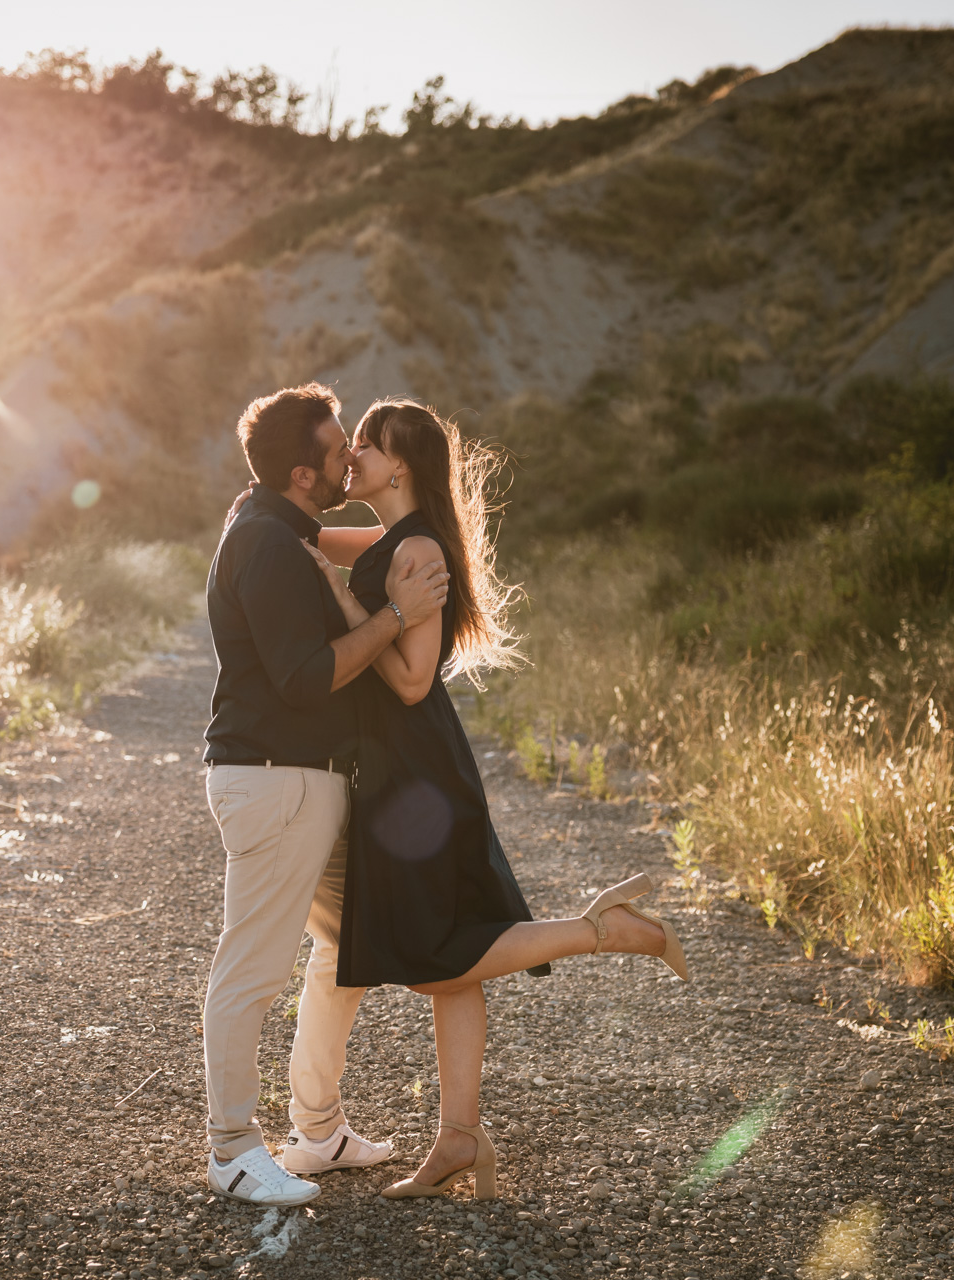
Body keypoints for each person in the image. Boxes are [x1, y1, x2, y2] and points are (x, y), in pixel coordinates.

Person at [303, 397, 691, 1201]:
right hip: (415, 769)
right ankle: (459, 1137)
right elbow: (314, 542)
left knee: (434, 958)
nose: (353, 457)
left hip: (415, 777)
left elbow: (411, 681)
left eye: (366, 445)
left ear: (399, 465)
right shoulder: (397, 540)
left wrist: (344, 603)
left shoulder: (415, 551)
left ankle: (602, 931)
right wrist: (278, 526)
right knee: (453, 961)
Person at [198, 384, 453, 1206]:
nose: (352, 455)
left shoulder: (286, 529)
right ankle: (233, 1149)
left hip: (309, 782)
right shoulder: (267, 543)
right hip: (277, 781)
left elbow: (394, 535)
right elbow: (306, 679)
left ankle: (319, 1130)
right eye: (341, 447)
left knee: (349, 951)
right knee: (252, 968)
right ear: (304, 474)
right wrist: (395, 615)